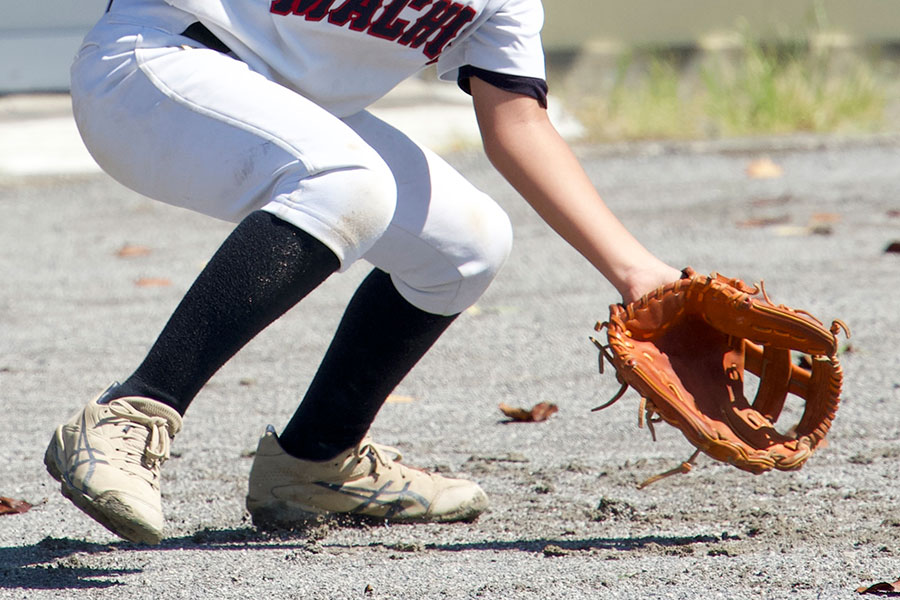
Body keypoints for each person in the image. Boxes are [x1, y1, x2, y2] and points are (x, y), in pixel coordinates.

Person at [45, 0, 681, 545]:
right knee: (350, 182)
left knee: (468, 245)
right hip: (150, 64)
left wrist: (638, 274)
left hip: (287, 104)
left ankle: (314, 464)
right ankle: (127, 416)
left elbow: (517, 122)